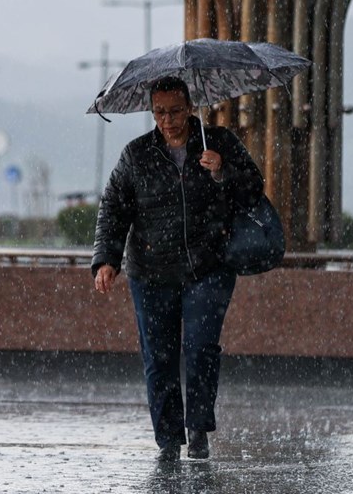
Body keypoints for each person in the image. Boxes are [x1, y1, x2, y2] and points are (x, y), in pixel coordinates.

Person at [91, 76, 264, 461]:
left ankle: (199, 428)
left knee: (201, 347)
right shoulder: (136, 155)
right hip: (151, 269)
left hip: (210, 266)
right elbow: (114, 208)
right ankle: (169, 439)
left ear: (189, 107)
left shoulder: (218, 143)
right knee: (159, 355)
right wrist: (106, 259)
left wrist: (223, 172)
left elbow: (254, 188)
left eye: (174, 111)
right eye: (159, 112)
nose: (167, 120)